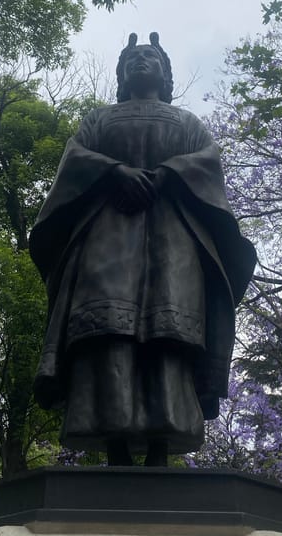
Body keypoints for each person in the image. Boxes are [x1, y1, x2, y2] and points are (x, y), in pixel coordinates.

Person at [29, 33, 256, 466]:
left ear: (166, 74)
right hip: (107, 235)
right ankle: (113, 443)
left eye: (149, 56)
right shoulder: (99, 120)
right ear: (121, 74)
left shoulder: (187, 123)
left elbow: (209, 161)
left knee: (169, 332)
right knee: (108, 330)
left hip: (174, 240)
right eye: (131, 58)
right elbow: (73, 158)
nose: (140, 61)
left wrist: (169, 174)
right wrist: (114, 171)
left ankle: (160, 446)